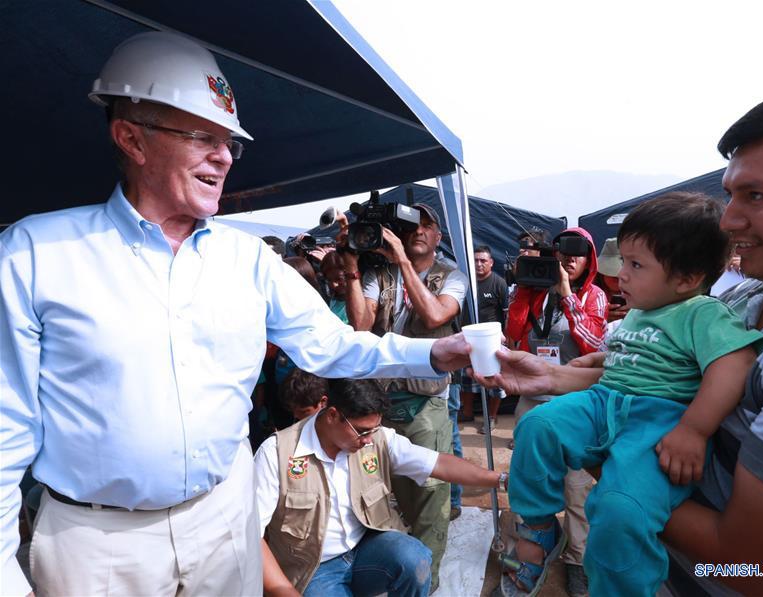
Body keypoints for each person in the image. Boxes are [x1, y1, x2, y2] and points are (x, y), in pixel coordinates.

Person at [0, 32, 469, 597]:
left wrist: (436, 350)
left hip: (224, 523)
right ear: (131, 138)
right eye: (202, 136)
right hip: (98, 545)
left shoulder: (246, 260)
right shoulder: (36, 253)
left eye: (229, 142)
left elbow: (331, 344)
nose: (224, 156)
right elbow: (7, 427)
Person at [480, 84, 763, 596]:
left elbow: (752, 568)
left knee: (614, 506)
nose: (727, 220)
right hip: (670, 574)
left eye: (757, 196)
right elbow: (663, 371)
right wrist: (561, 378)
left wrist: (617, 467)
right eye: (731, 193)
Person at [498, 194, 763, 597]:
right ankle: (537, 525)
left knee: (620, 512)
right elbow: (629, 362)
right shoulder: (640, 309)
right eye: (623, 261)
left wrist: (694, 430)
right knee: (537, 425)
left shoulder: (704, 312)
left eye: (636, 264)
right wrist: (586, 366)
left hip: (657, 421)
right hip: (605, 402)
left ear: (687, 278)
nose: (621, 274)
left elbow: (735, 365)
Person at [255, 377, 505, 596]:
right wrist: (284, 591)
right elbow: (252, 536)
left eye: (373, 430)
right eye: (361, 431)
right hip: (313, 568)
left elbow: (439, 464)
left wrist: (500, 480)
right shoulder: (276, 453)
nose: (367, 440)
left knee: (414, 559)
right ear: (332, 414)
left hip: (365, 550)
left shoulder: (375, 438)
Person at [343, 202, 468, 587]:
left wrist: (401, 259)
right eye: (410, 225)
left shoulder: (452, 276)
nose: (417, 231)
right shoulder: (378, 275)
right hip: (381, 401)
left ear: (438, 236)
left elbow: (434, 316)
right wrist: (351, 265)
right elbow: (360, 325)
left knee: (431, 495)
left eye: (426, 224)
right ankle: (403, 566)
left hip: (425, 402)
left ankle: (424, 584)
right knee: (391, 490)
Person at [503, 225, 609, 597]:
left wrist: (567, 295)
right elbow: (514, 332)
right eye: (563, 252)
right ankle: (531, 551)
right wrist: (524, 291)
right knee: (527, 480)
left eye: (578, 253)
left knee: (577, 489)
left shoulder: (594, 296)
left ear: (590, 260)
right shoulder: (533, 291)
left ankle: (578, 560)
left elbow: (593, 341)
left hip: (576, 403)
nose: (569, 259)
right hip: (534, 400)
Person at [459, 245, 509, 434]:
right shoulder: (465, 282)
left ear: (491, 263)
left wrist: (505, 339)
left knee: (494, 381)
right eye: (476, 260)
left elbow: (507, 314)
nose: (479, 264)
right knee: (466, 379)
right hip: (468, 339)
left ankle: (492, 418)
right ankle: (467, 412)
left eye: (483, 261)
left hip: (491, 342)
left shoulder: (499, 283)